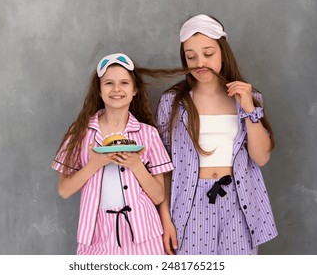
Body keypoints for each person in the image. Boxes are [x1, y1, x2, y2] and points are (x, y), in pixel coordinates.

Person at [156, 14, 278, 255]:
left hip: (238, 203)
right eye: (191, 57)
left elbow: (261, 157)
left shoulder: (249, 99)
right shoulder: (171, 103)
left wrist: (249, 109)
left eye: (208, 53)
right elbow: (162, 168)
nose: (200, 62)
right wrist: (165, 219)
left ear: (223, 51)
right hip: (188, 205)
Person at [51, 53, 174, 255]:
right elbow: (64, 190)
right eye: (109, 83)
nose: (116, 89)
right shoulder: (80, 133)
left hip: (144, 234)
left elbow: (159, 196)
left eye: (124, 83)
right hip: (96, 234)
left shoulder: (148, 134)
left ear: (134, 90)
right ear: (99, 91)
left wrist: (136, 165)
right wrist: (94, 164)